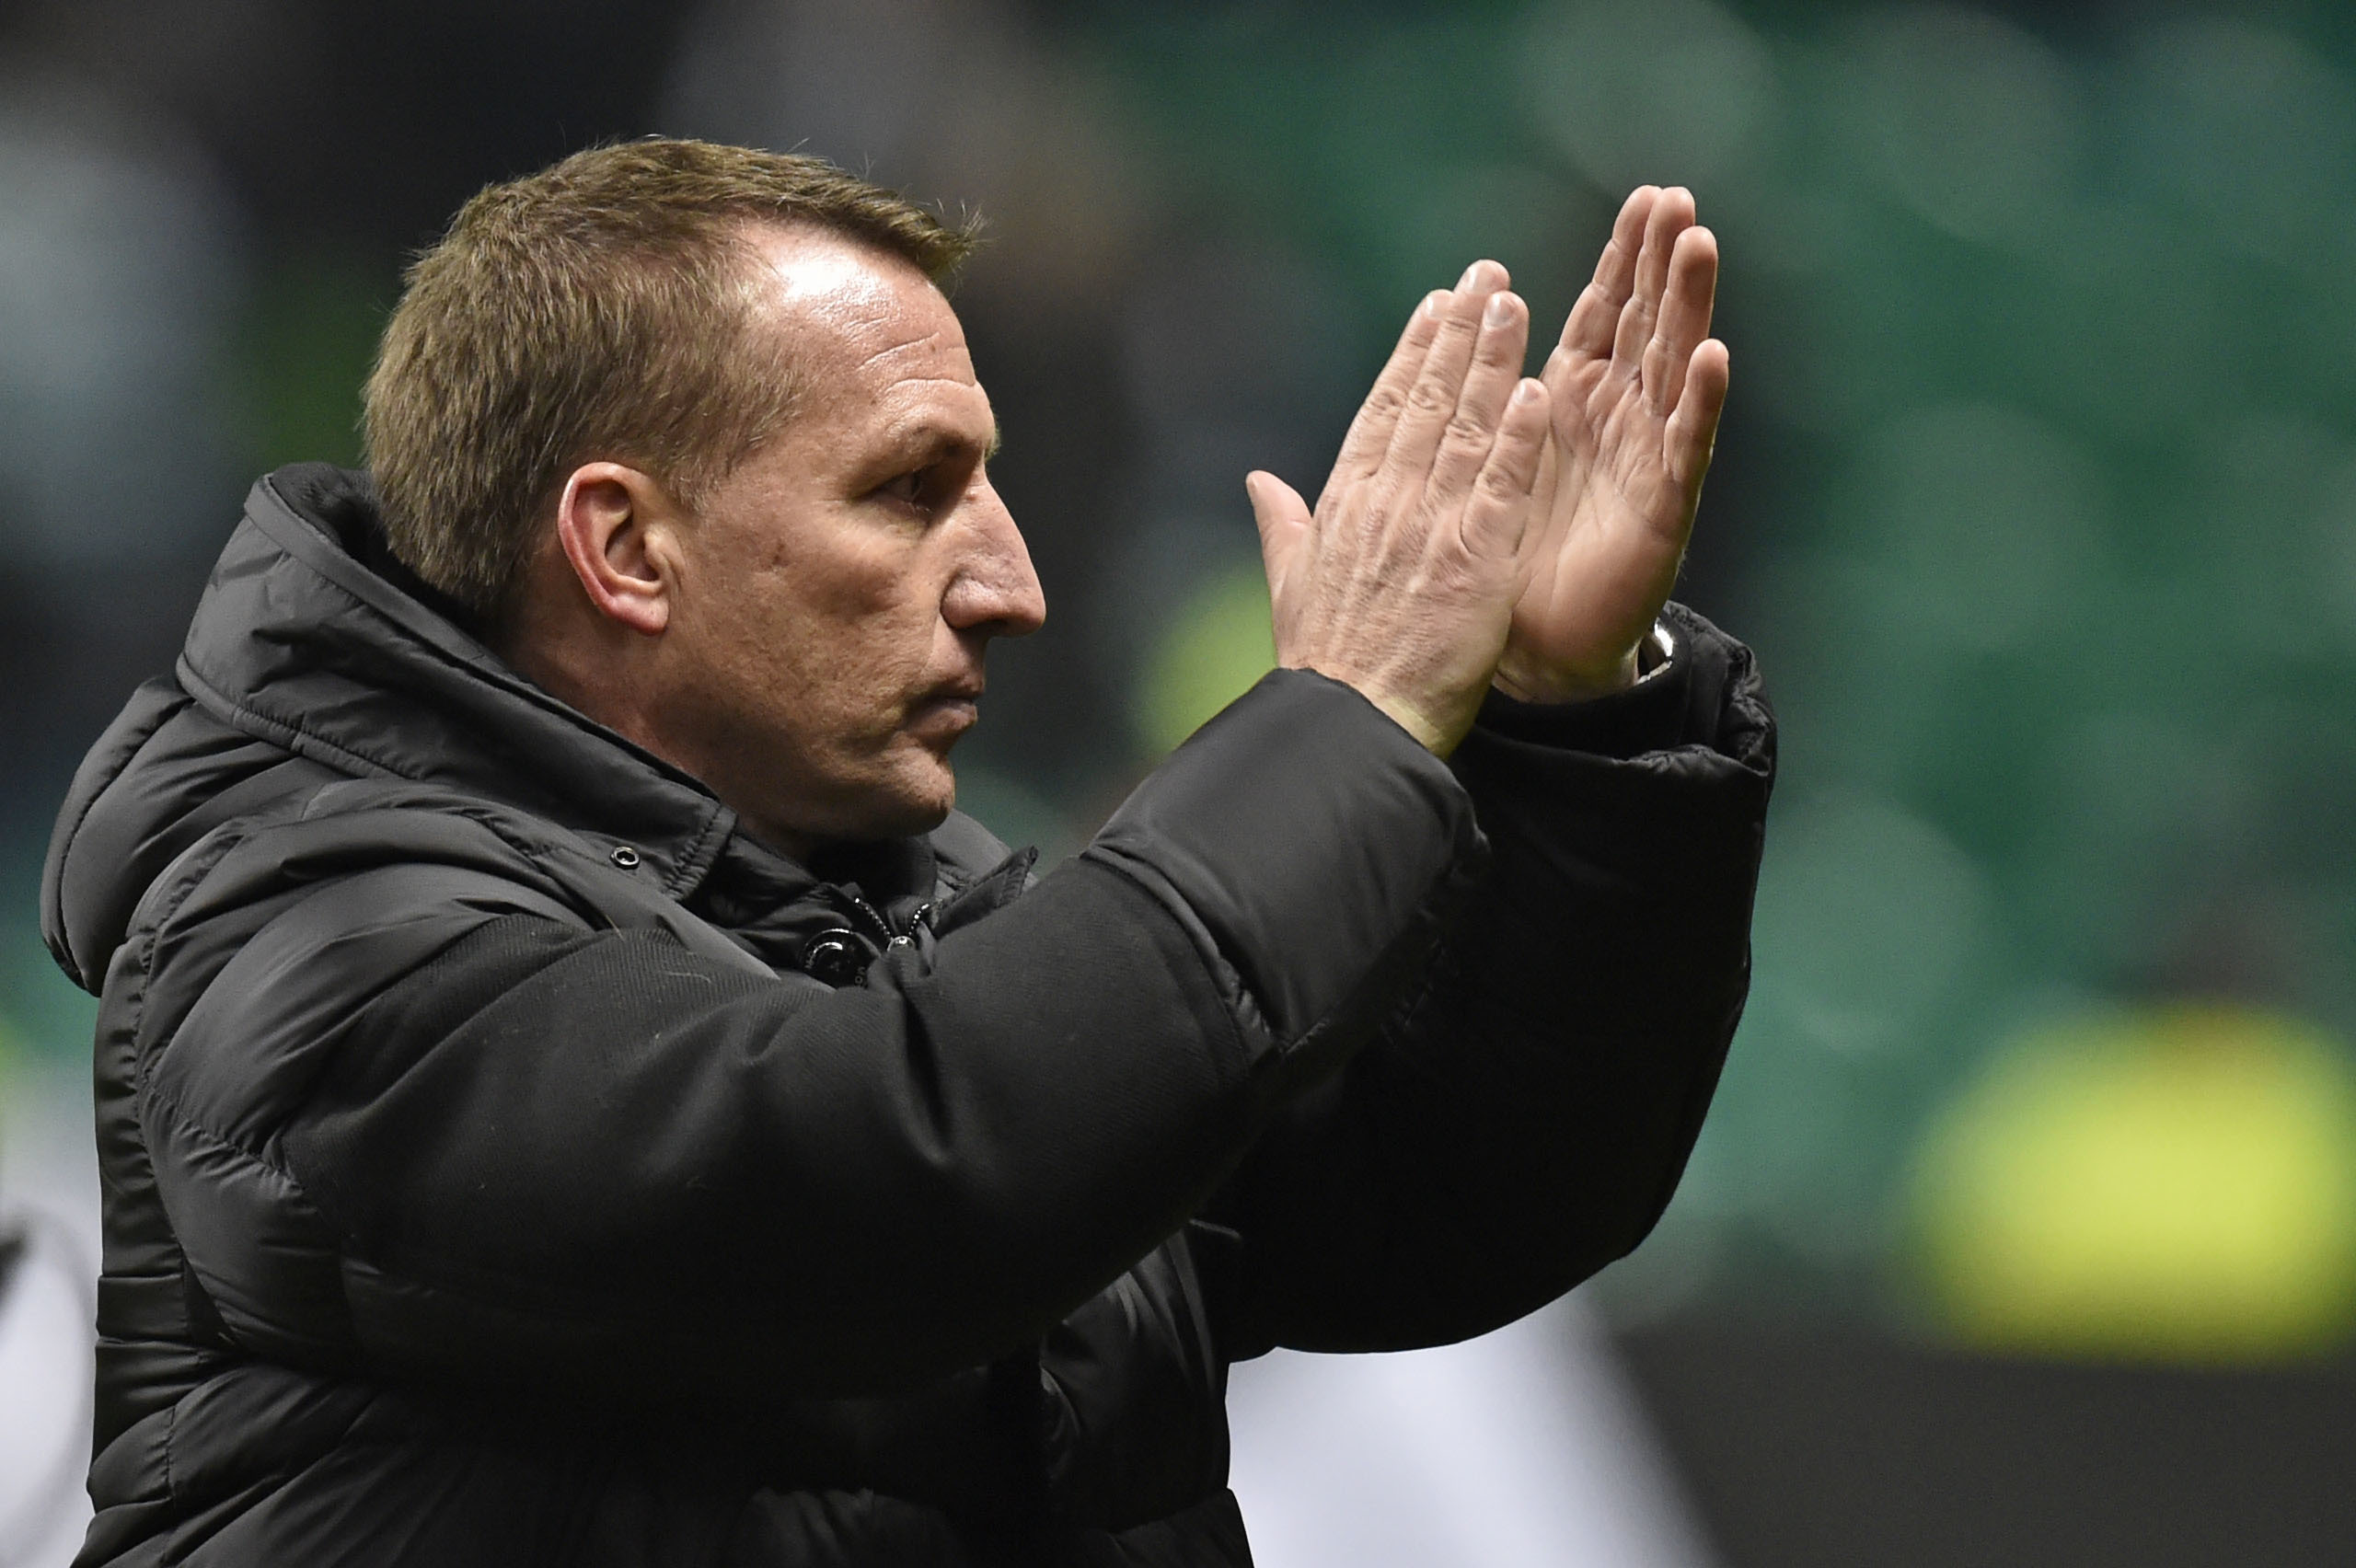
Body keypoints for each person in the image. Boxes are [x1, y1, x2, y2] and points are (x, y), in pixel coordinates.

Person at [40, 140, 1772, 1566]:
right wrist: (1344, 716)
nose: (1011, 583)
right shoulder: (307, 942)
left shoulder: (896, 911)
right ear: (626, 546)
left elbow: (1433, 1197)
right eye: (909, 489)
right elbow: (893, 1172)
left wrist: (1575, 720)